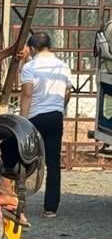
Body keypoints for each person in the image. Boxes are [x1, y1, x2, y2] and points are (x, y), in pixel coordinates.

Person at [20, 32, 72, 218]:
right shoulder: (64, 66)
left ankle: (19, 203)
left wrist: (23, 121)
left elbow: (27, 95)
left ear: (32, 49)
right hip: (55, 116)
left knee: (23, 160)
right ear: (49, 46)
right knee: (53, 162)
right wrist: (59, 107)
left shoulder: (29, 67)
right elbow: (67, 92)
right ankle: (50, 208)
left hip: (34, 117)